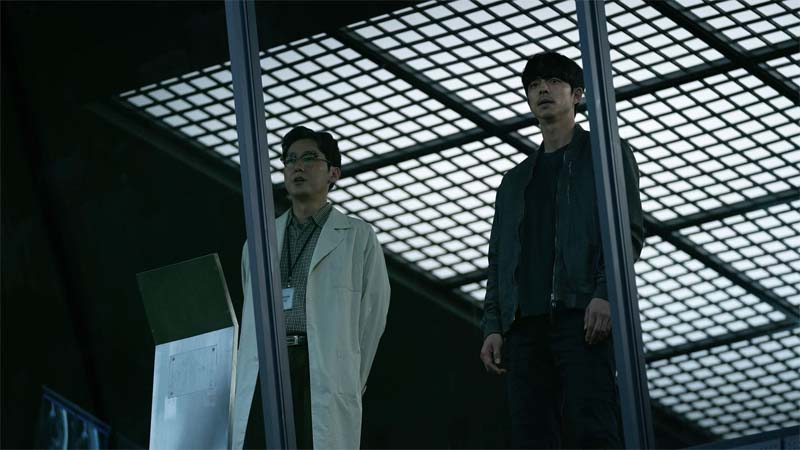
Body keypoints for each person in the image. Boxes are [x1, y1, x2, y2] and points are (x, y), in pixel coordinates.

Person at [479, 51, 644, 448]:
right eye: (534, 85)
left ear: (578, 95)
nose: (543, 90)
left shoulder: (605, 152)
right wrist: (493, 326)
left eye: (554, 82)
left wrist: (605, 293)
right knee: (532, 436)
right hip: (524, 326)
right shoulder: (514, 180)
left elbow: (627, 231)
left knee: (593, 428)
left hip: (580, 314)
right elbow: (498, 260)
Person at [233, 126, 391, 449]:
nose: (297, 167)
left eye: (309, 158)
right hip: (267, 365)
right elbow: (249, 306)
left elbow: (373, 315)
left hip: (320, 366)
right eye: (290, 160)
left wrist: (348, 375)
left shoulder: (358, 236)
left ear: (334, 173)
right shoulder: (259, 239)